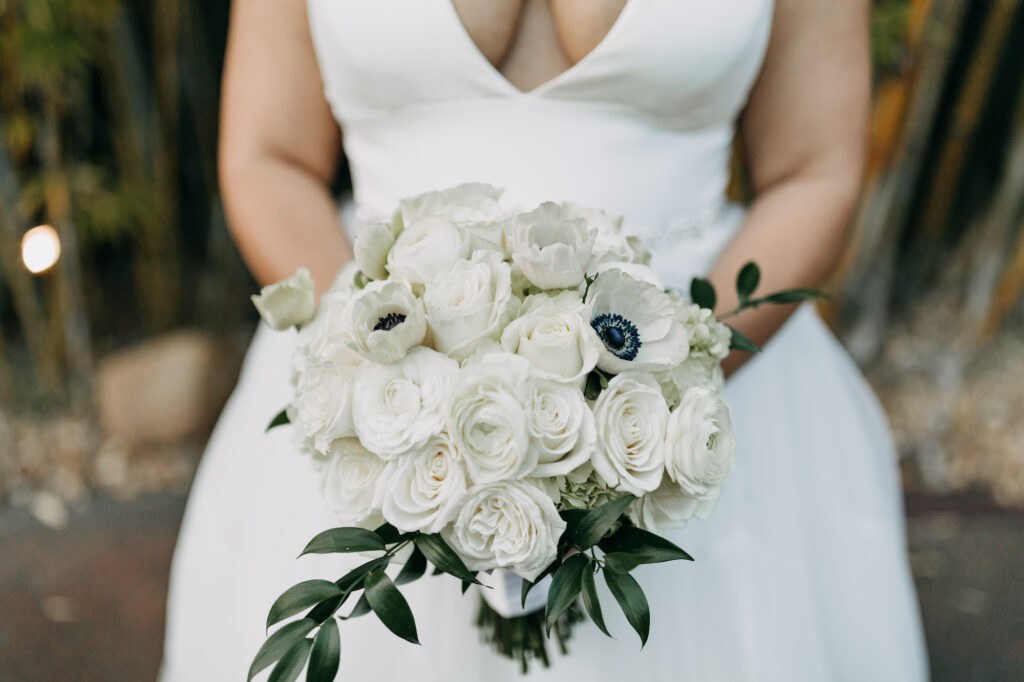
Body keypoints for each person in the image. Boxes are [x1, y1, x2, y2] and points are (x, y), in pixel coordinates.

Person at [160, 0, 930, 679]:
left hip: (703, 378)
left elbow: (814, 171)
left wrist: (655, 394)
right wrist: (389, 376)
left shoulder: (672, 388)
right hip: (384, 386)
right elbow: (270, 158)